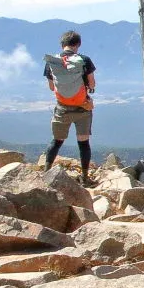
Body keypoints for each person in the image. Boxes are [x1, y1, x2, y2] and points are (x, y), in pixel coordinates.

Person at [43, 30, 97, 186]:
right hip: (82, 108)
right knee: (83, 143)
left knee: (57, 141)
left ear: (62, 45)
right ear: (78, 44)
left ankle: (46, 173)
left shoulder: (53, 62)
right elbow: (92, 84)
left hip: (62, 108)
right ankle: (85, 178)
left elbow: (52, 87)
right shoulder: (84, 60)